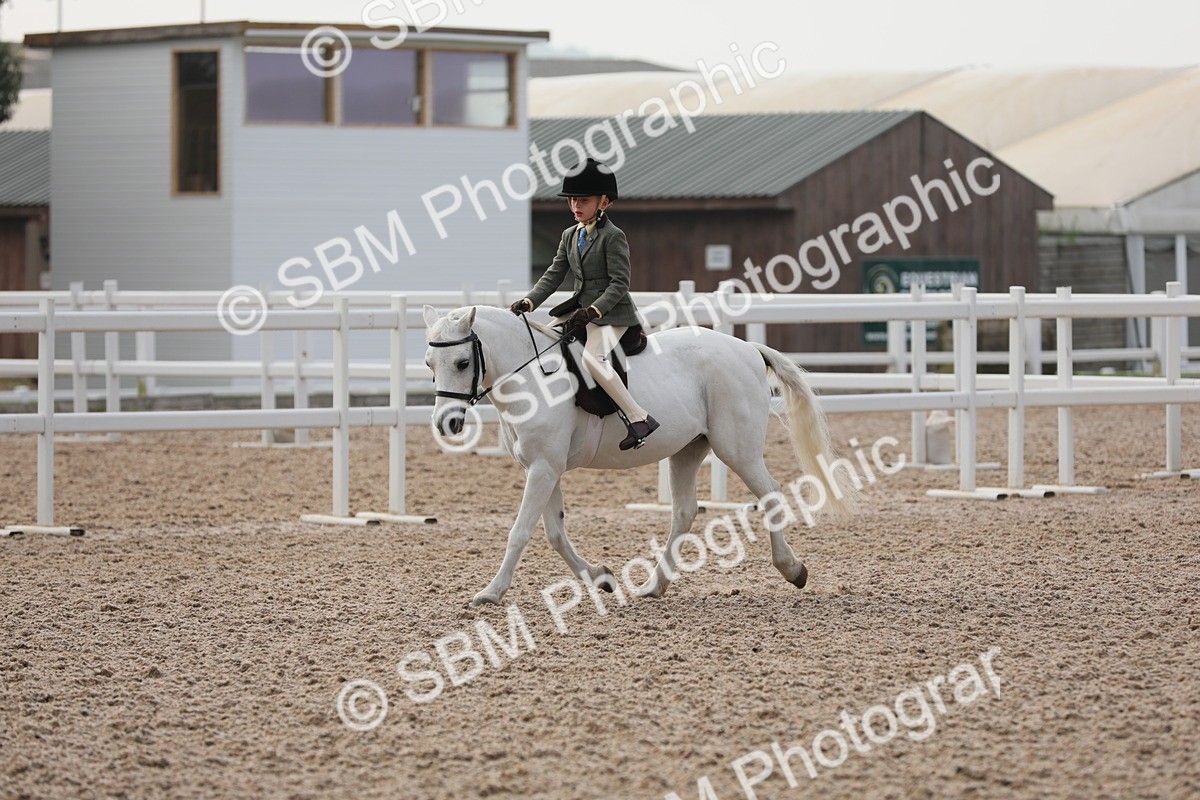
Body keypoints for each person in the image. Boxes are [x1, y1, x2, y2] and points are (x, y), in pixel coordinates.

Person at [510, 158, 660, 450]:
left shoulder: (613, 237)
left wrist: (594, 311)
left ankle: (638, 417)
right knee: (545, 342)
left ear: (604, 201)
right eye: (573, 200)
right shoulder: (570, 235)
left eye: (584, 200)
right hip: (579, 310)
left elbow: (620, 283)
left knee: (594, 359)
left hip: (611, 313)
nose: (576, 206)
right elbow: (554, 273)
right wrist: (529, 301)